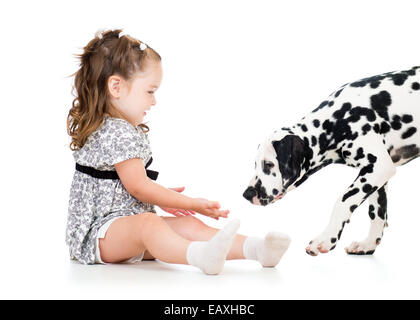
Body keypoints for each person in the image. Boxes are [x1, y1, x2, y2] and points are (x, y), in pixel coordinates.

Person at [65, 29, 291, 275]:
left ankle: (256, 249)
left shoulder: (120, 128)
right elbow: (138, 187)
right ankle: (200, 256)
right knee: (148, 224)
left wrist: (161, 196)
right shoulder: (117, 132)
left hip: (124, 226)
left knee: (187, 226)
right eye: (150, 91)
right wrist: (190, 202)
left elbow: (125, 185)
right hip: (99, 234)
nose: (154, 101)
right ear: (116, 87)